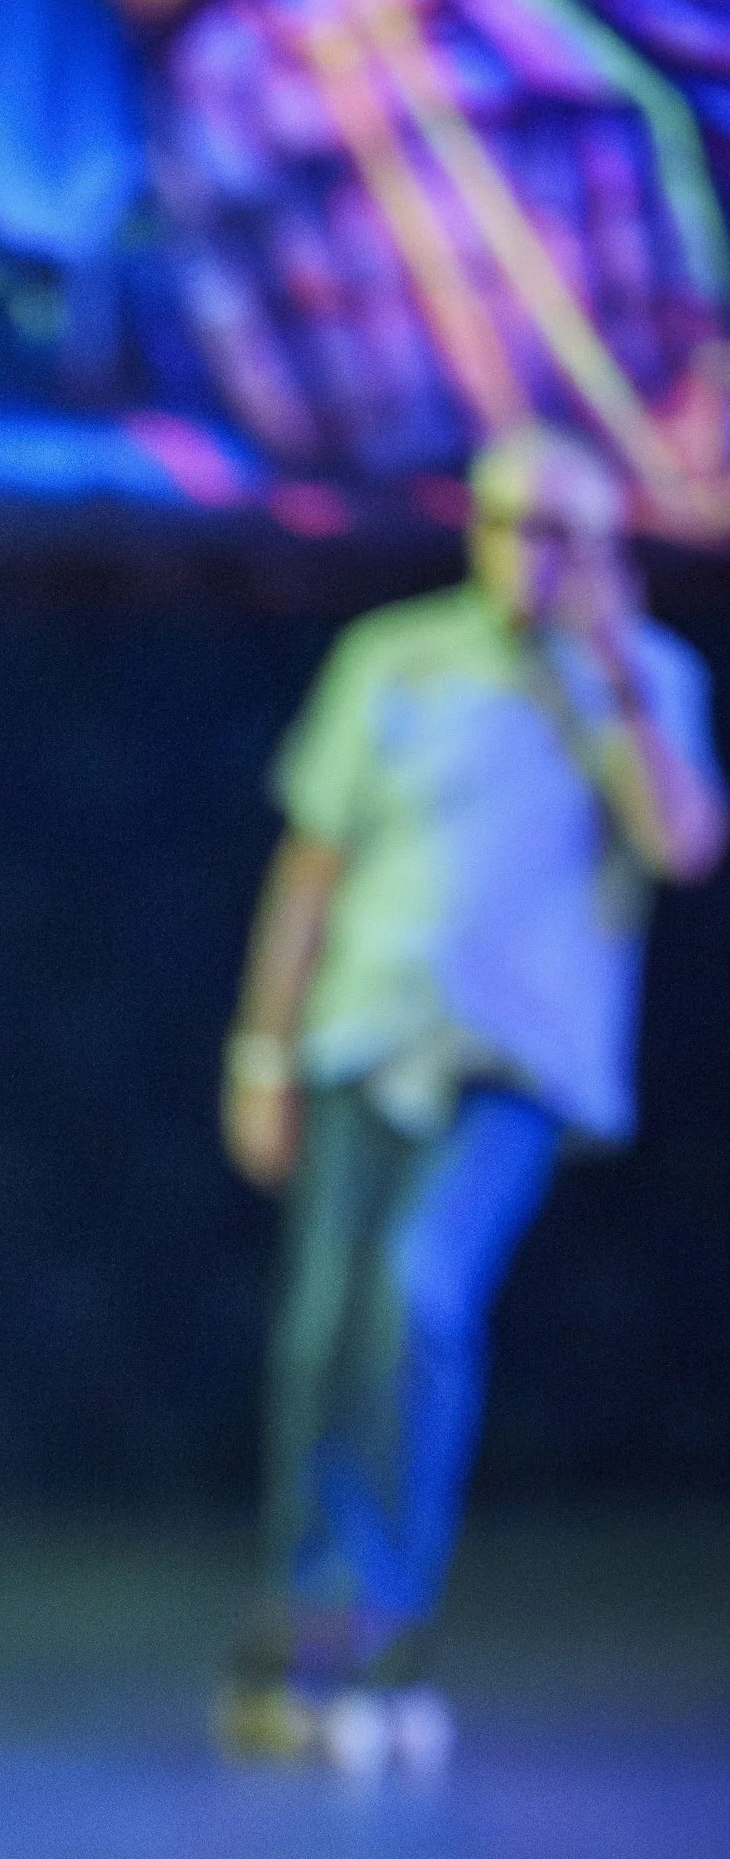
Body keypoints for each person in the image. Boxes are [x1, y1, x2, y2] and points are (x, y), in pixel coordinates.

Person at [218, 420, 724, 1768]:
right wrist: (261, 1054)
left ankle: (380, 1621)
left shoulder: (646, 681)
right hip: (363, 1044)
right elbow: (310, 872)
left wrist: (605, 667)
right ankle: (304, 1629)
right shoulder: (396, 660)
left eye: (562, 532)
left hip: (517, 1071)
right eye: (507, 524)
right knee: (325, 1331)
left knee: (419, 1296)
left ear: (609, 550)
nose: (530, 556)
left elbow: (682, 843)